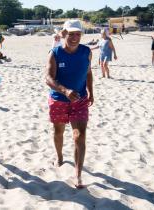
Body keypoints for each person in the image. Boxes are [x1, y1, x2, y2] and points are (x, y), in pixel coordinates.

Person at [45, 19, 94, 188]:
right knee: (58, 132)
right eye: (71, 34)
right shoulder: (55, 53)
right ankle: (59, 156)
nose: (74, 37)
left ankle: (78, 175)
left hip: (80, 100)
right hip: (59, 100)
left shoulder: (86, 51)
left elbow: (88, 72)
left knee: (79, 136)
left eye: (78, 34)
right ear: (64, 33)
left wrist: (91, 92)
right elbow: (48, 79)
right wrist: (65, 91)